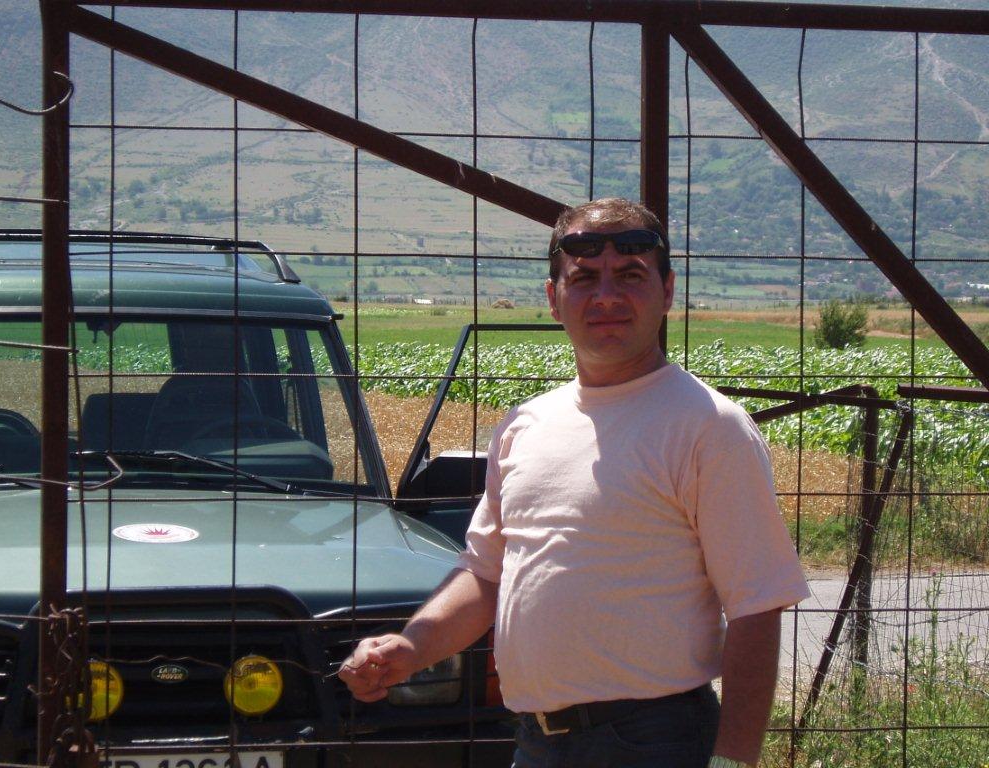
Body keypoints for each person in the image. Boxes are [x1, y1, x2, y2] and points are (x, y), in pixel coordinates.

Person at [340, 197, 810, 768]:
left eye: (631, 277)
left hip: (655, 742)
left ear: (667, 292)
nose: (607, 296)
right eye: (584, 278)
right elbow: (487, 572)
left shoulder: (710, 428)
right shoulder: (523, 426)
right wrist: (409, 648)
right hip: (536, 745)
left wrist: (733, 760)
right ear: (554, 299)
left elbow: (757, 608)